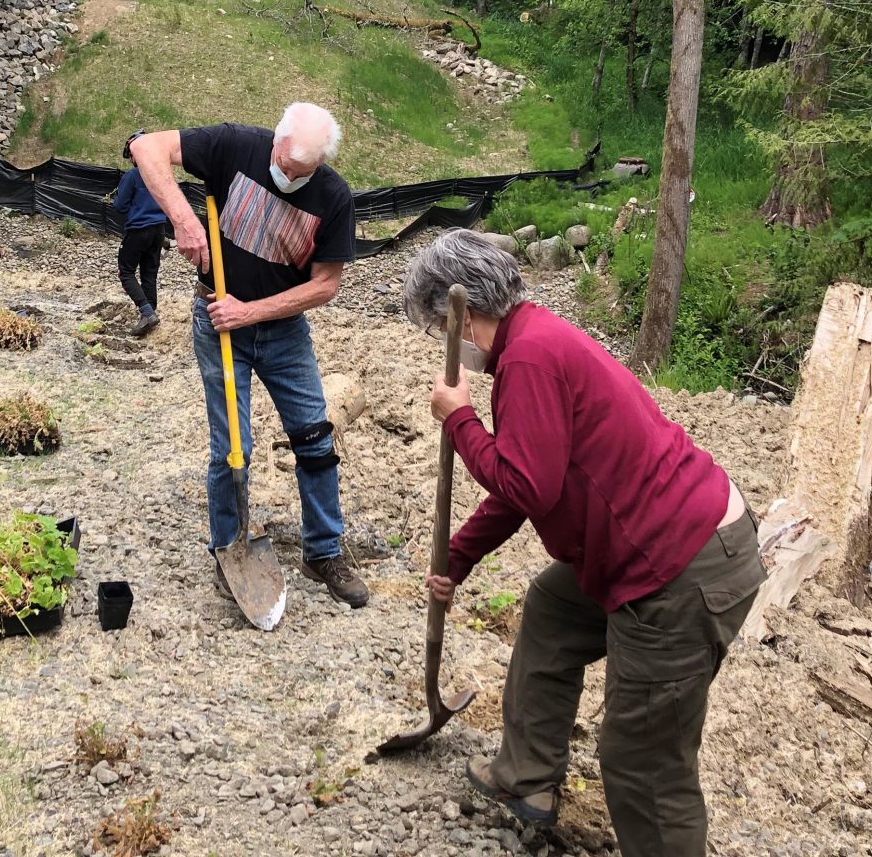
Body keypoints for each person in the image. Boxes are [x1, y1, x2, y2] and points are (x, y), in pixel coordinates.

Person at [402, 229, 766, 857]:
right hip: (656, 543)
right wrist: (457, 558)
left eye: (440, 330)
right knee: (553, 608)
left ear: (458, 315)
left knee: (643, 764)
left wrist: (458, 418)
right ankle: (526, 780)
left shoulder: (529, 360)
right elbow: (531, 482)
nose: (445, 346)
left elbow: (527, 486)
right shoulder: (534, 340)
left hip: (679, 570)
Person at [129, 103, 369, 608]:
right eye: (282, 163)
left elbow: (326, 286)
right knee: (232, 446)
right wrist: (185, 221)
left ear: (320, 165)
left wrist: (252, 311)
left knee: (314, 437)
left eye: (300, 173)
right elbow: (144, 147)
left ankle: (323, 551)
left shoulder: (333, 198)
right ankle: (228, 546)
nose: (287, 176)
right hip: (217, 323)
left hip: (282, 331)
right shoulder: (234, 144)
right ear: (275, 140)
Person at [113, 135, 169, 336]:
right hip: (159, 229)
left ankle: (146, 312)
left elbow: (120, 207)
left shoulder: (133, 176)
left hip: (138, 230)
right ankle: (150, 313)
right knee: (149, 273)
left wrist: (116, 199)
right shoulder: (161, 174)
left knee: (126, 271)